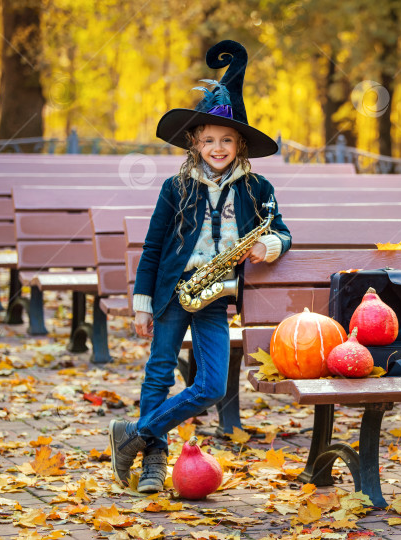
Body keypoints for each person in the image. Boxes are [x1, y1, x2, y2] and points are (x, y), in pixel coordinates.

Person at [109, 40, 291, 493]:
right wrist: (142, 303)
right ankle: (153, 462)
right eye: (208, 139)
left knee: (210, 386)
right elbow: (153, 247)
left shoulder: (257, 186)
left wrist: (267, 245)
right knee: (159, 370)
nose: (217, 147)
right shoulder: (176, 187)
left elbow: (283, 231)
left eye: (227, 139)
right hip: (175, 289)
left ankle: (133, 434)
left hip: (218, 296)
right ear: (194, 142)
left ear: (241, 144)